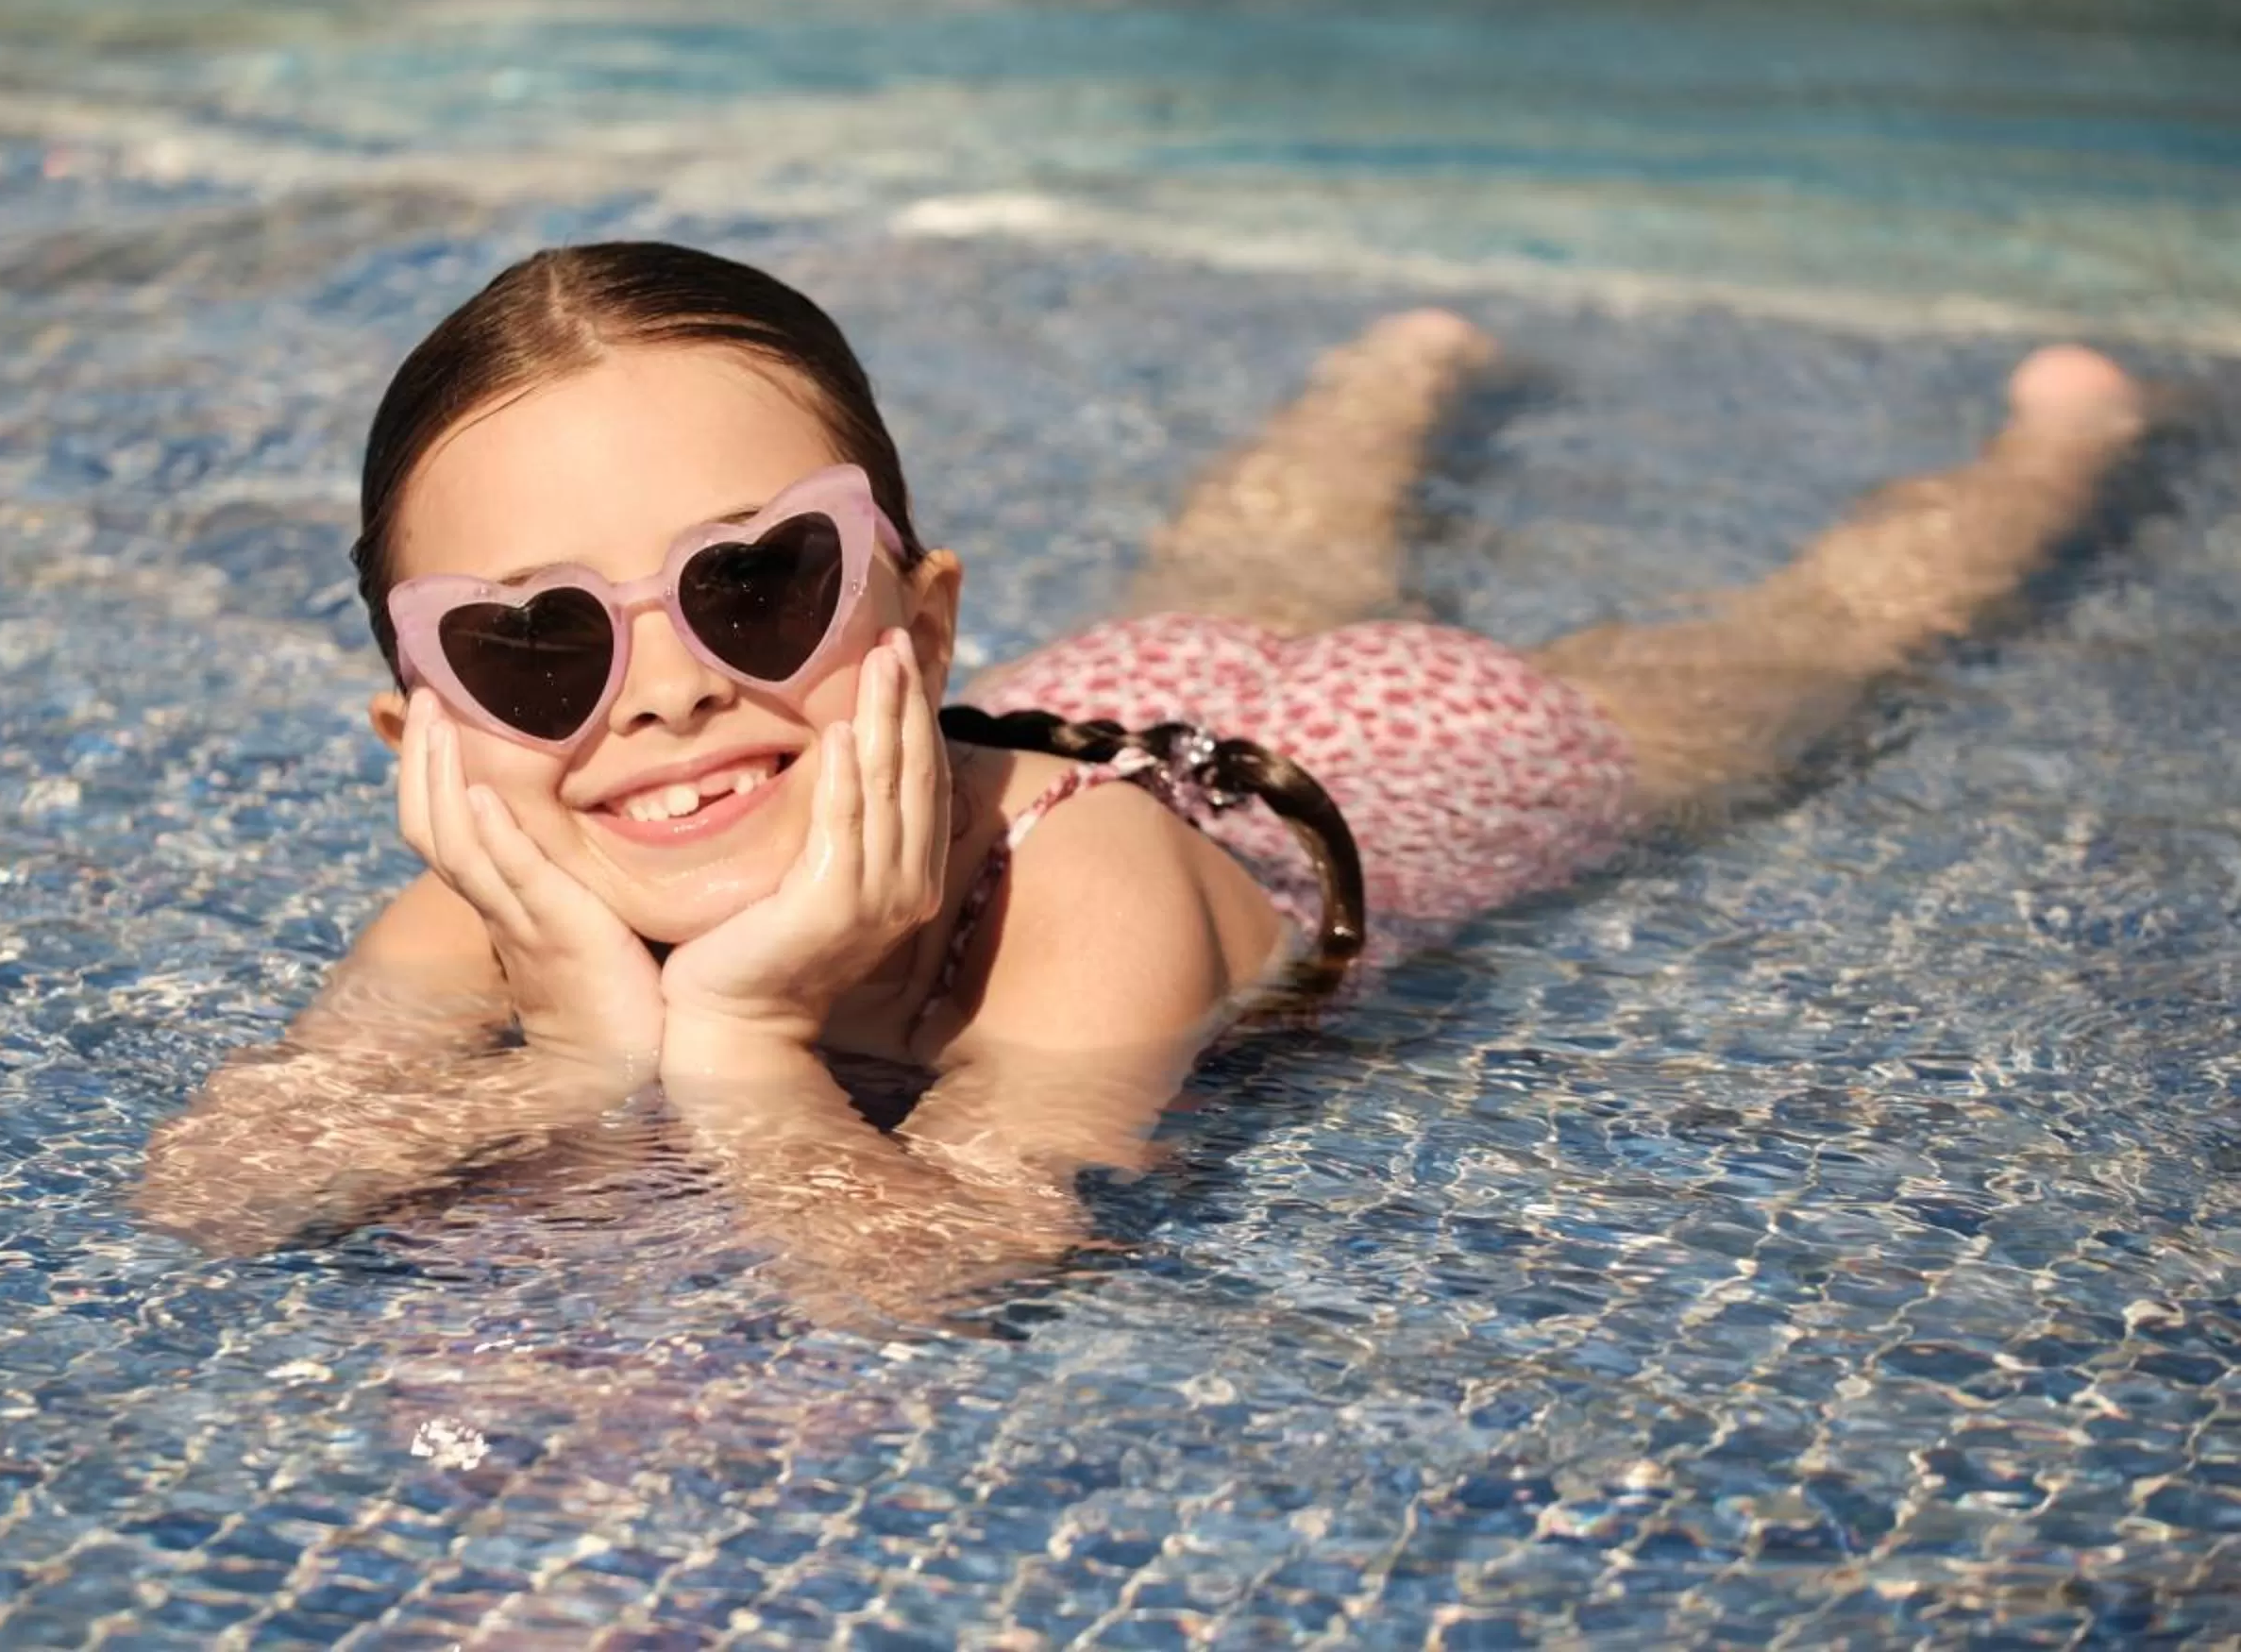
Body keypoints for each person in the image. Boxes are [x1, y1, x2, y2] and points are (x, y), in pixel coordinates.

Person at [135, 242, 2148, 1314]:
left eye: (759, 585)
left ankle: (2060, 448)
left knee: (1801, 646)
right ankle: (1397, 369)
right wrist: (581, 1050)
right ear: (424, 733)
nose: (661, 695)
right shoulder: (482, 909)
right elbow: (214, 1191)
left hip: (1393, 767)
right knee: (1242, 564)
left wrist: (733, 1038)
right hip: (1111, 690)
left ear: (919, 623)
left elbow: (920, 1272)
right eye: (535, 644)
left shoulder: (1073, 906)